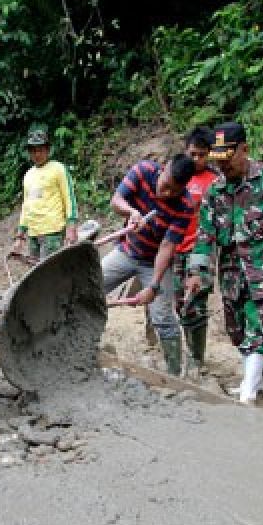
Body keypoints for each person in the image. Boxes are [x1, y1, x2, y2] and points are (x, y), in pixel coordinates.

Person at [185, 122, 263, 403]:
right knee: (237, 327)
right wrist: (197, 272)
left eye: (228, 158)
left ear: (244, 149)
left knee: (261, 324)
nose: (223, 166)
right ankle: (257, 383)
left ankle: (248, 394)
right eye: (218, 161)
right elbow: (204, 234)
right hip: (231, 271)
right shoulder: (215, 191)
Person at [103, 154, 197, 376]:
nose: (166, 194)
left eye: (174, 191)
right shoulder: (143, 170)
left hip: (153, 262)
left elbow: (167, 247)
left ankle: (174, 373)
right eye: (165, 186)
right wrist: (131, 212)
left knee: (162, 316)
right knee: (88, 288)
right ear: (162, 169)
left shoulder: (185, 205)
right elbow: (116, 200)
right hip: (126, 251)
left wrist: (153, 286)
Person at [171, 127, 220, 377]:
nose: (197, 160)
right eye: (193, 154)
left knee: (196, 302)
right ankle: (177, 354)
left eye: (202, 155)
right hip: (172, 248)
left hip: (199, 250)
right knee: (177, 302)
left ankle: (197, 359)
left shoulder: (215, 182)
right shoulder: (177, 176)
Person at [11, 126, 78, 261]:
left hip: (52, 234)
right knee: (36, 274)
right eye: (33, 151)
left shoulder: (58, 169)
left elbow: (69, 198)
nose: (37, 154)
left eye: (40, 150)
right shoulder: (28, 175)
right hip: (33, 234)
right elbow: (26, 206)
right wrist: (20, 236)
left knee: (50, 274)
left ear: (47, 150)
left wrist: (71, 227)